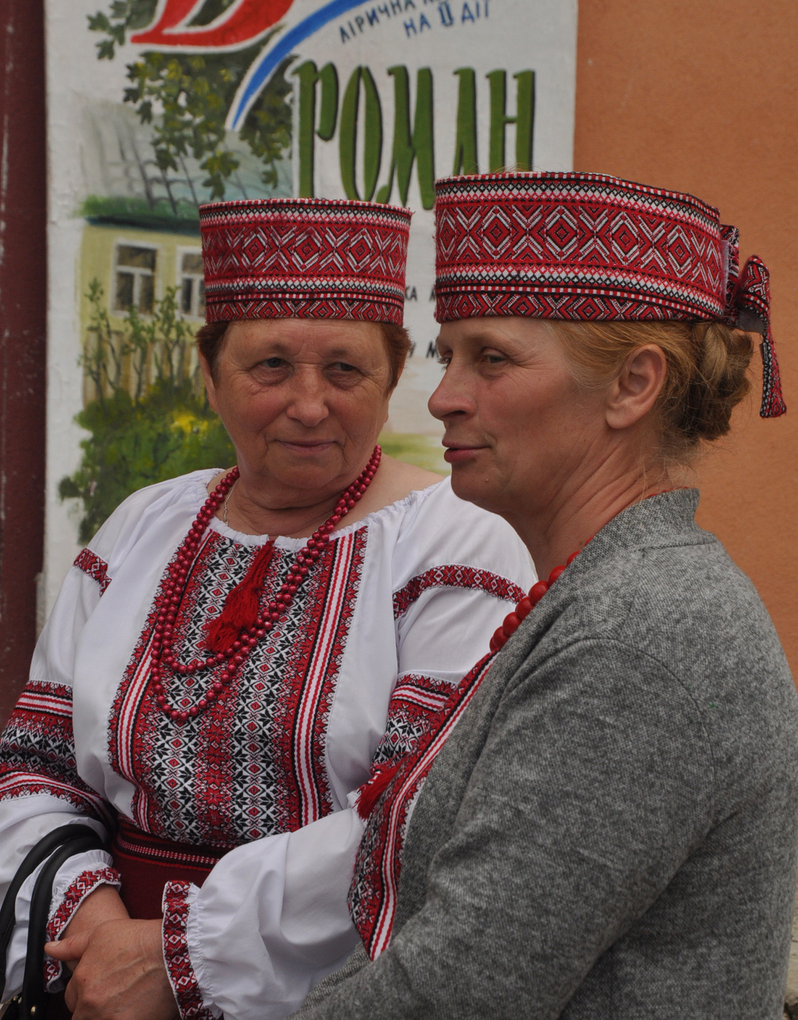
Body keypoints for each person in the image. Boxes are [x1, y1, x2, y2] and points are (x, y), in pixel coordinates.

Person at [0, 196, 533, 1020]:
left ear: (394, 379)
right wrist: (93, 929)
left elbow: (417, 816)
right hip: (96, 977)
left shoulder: (454, 547)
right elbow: (36, 762)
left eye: (346, 369)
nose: (310, 403)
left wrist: (178, 956)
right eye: (271, 366)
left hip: (324, 993)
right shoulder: (145, 525)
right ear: (210, 376)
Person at [294, 171, 798, 1020]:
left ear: (634, 386)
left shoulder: (635, 640)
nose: (445, 395)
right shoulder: (616, 593)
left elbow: (453, 995)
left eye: (492, 358)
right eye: (448, 354)